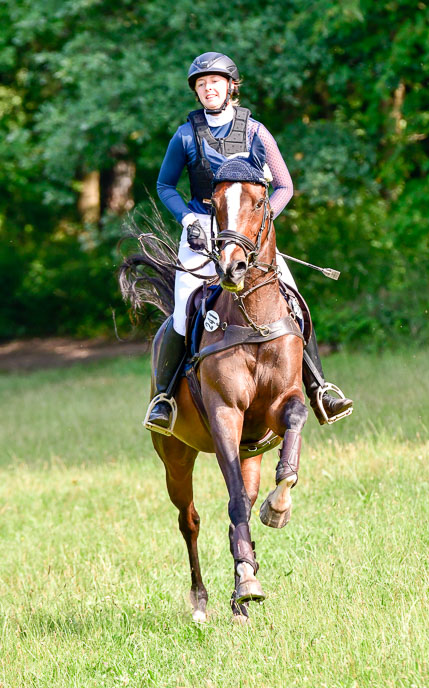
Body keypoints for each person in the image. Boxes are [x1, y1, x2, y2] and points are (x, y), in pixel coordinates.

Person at [147, 51, 352, 432]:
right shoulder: (185, 135)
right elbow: (164, 185)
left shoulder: (257, 132)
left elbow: (285, 185)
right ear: (196, 91)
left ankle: (320, 389)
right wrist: (189, 218)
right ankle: (163, 399)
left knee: (293, 300)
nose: (208, 88)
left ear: (230, 86)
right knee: (180, 311)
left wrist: (261, 222)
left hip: (250, 235)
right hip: (202, 230)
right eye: (201, 83)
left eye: (215, 82)